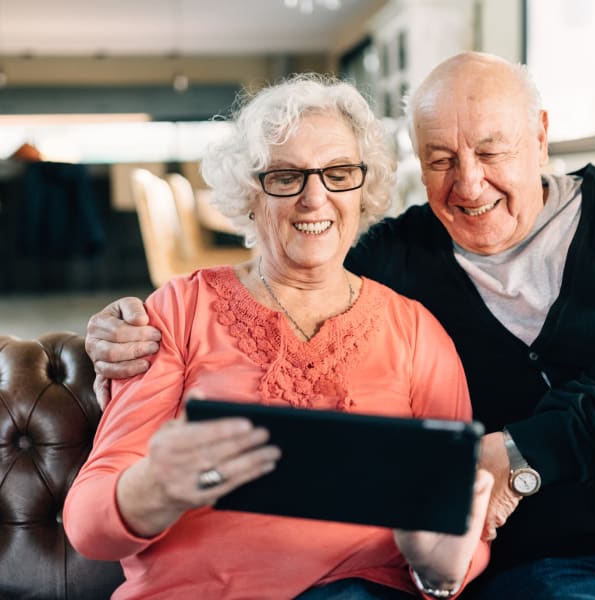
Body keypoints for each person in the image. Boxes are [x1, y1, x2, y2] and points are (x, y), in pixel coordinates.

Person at [84, 52, 595, 599]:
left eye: (491, 151)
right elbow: (304, 249)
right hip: (569, 564)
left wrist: (516, 455)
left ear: (540, 137)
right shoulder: (400, 259)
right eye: (441, 161)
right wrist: (119, 324)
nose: (469, 183)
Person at [64, 73, 493, 600]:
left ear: (364, 189)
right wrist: (155, 487)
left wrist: (438, 564)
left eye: (338, 173)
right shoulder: (179, 310)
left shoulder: (417, 332)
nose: (315, 199)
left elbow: (459, 534)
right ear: (249, 194)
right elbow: (87, 524)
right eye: (286, 176)